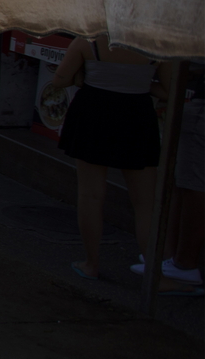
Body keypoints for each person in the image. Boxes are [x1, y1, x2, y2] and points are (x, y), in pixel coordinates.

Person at [46, 33, 173, 282]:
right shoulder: (159, 44)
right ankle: (157, 275)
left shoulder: (87, 41)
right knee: (145, 204)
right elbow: (169, 91)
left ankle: (91, 264)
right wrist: (137, 81)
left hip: (93, 114)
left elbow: (60, 80)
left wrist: (84, 77)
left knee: (91, 196)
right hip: (137, 117)